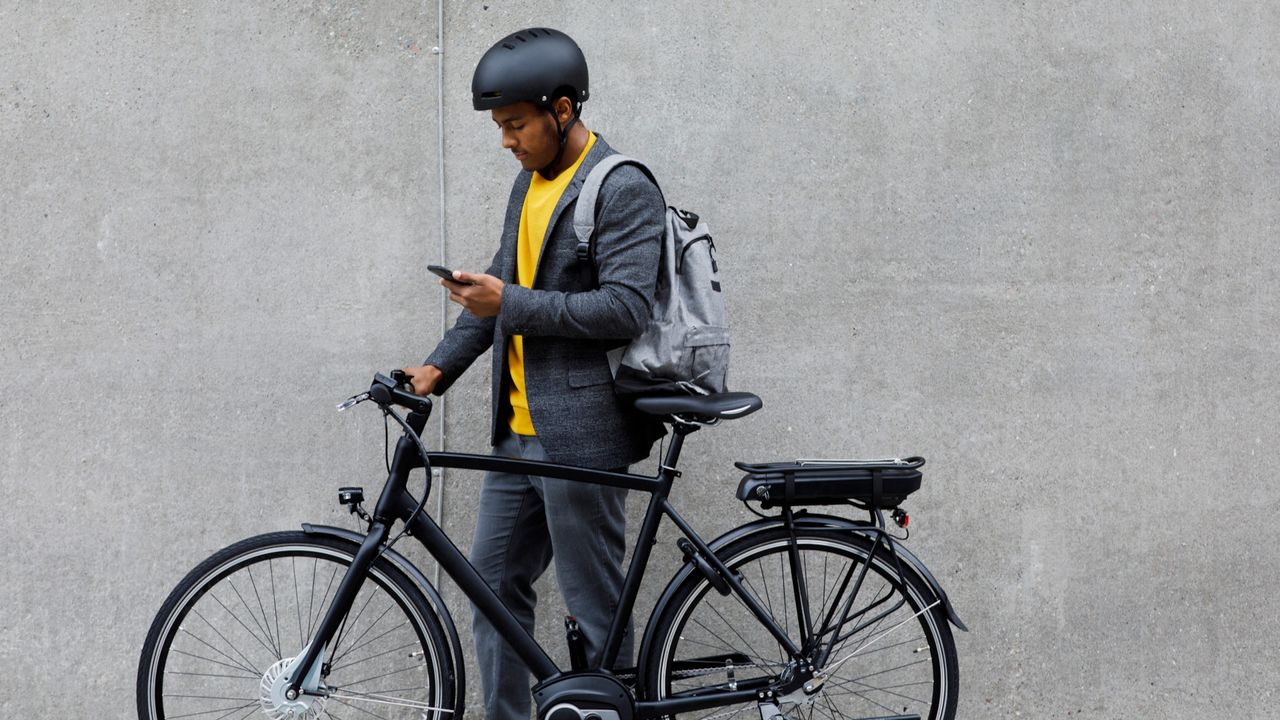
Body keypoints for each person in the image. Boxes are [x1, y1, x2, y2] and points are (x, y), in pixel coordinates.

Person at [400, 27, 665, 720]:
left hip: (579, 434)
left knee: (596, 611)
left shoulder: (622, 185)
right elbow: (498, 294)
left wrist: (507, 300)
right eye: (499, 126)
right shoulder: (529, 184)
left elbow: (626, 306)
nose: (506, 141)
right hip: (516, 438)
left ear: (564, 109)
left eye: (515, 124)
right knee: (492, 590)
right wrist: (434, 369)